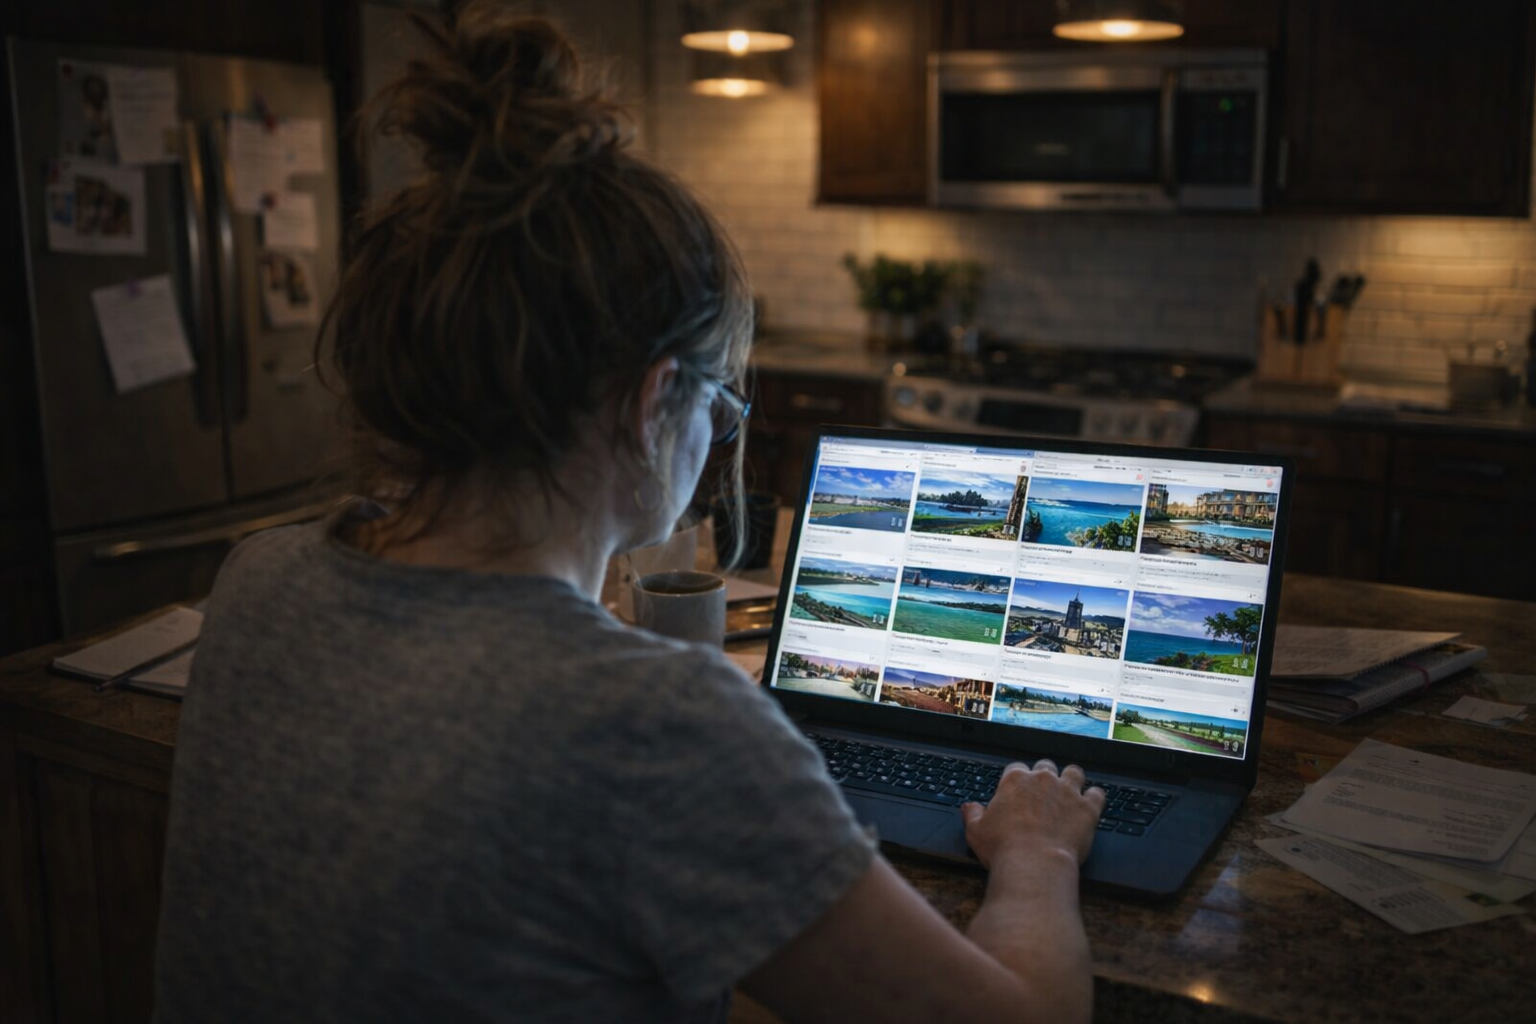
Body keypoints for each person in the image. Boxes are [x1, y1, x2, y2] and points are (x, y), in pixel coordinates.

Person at [151, 4, 1105, 1022]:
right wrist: (1039, 850)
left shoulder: (261, 579)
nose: (717, 434)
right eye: (720, 402)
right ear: (653, 404)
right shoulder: (657, 723)